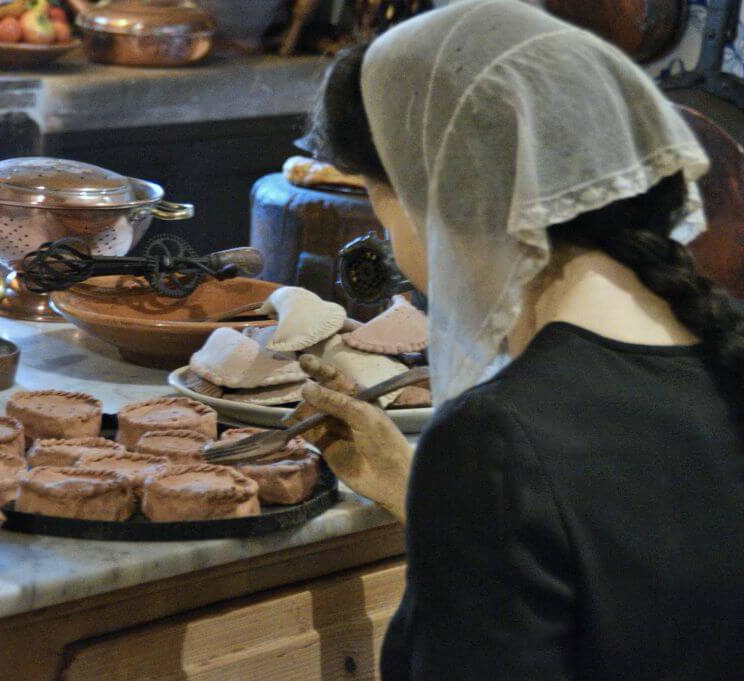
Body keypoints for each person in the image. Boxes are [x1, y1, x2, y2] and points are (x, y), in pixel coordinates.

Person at [295, 1, 744, 679]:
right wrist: (429, 497)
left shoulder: (496, 442)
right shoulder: (720, 361)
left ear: (441, 196)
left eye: (379, 202)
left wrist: (467, 485)